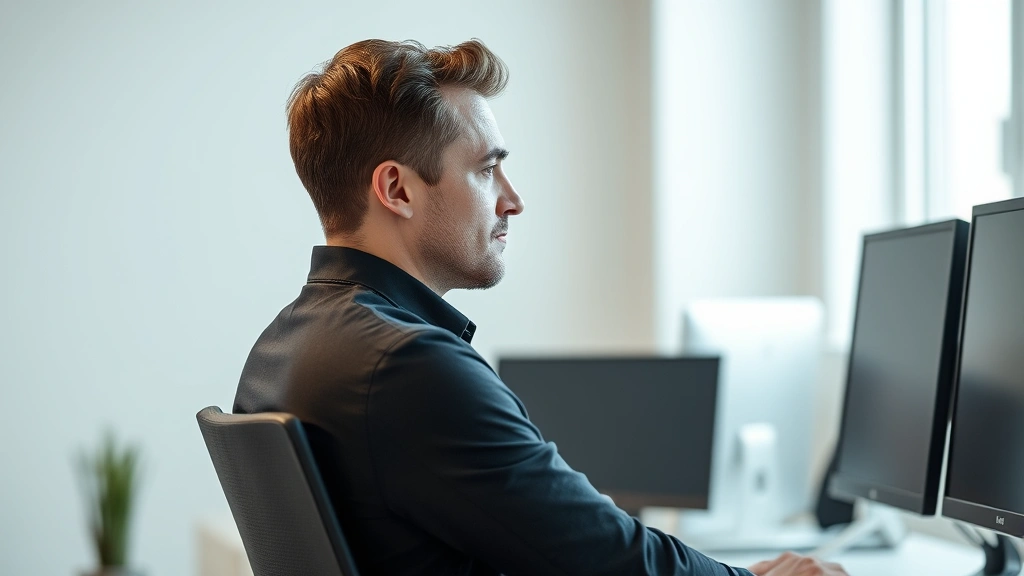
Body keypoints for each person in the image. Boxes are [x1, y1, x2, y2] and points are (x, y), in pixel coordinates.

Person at [233, 38, 847, 576]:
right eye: (486, 169)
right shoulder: (408, 365)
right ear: (397, 189)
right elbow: (602, 555)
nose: (513, 200)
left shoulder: (278, 352)